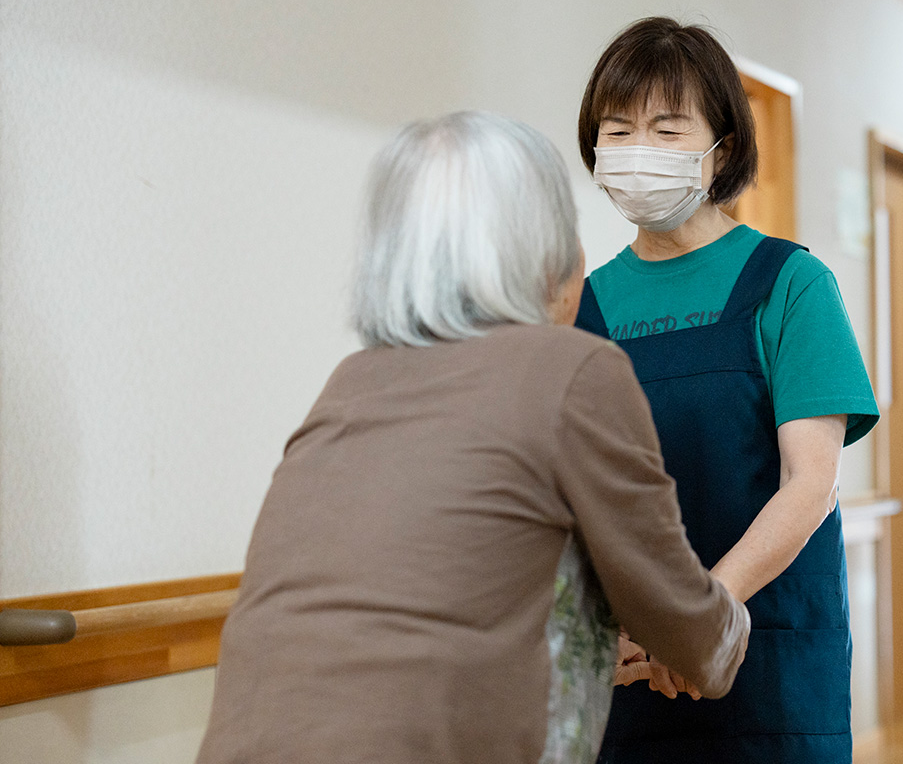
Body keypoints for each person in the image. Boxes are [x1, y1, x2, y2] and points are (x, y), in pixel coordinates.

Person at [194, 110, 750, 764]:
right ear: (547, 256)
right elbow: (683, 618)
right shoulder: (573, 368)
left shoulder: (352, 380)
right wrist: (719, 638)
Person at [574, 18, 880, 763]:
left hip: (766, 661)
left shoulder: (792, 284)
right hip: (627, 669)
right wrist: (591, 627)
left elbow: (811, 484)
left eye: (667, 128)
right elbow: (567, 494)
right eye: (617, 129)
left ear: (724, 149)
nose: (637, 149)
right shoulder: (581, 306)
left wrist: (700, 618)